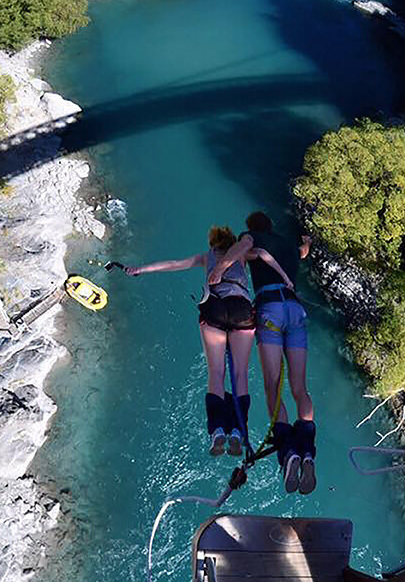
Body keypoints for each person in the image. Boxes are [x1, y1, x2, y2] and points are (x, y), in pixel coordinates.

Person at [125, 226, 291, 456]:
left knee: (216, 373)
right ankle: (237, 432)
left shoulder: (206, 257)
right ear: (232, 242)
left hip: (214, 306)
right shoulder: (241, 254)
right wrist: (285, 278)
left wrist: (139, 269)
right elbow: (263, 254)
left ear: (213, 244)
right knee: (241, 374)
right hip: (241, 307)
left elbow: (173, 264)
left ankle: (217, 431)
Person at [208, 211, 315, 494]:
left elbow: (241, 249)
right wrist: (306, 242)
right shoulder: (289, 247)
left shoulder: (251, 238)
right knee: (299, 388)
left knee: (272, 386)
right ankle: (307, 448)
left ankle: (289, 449)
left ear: (251, 229)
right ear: (271, 225)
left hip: (270, 310)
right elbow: (303, 252)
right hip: (295, 311)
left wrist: (219, 269)